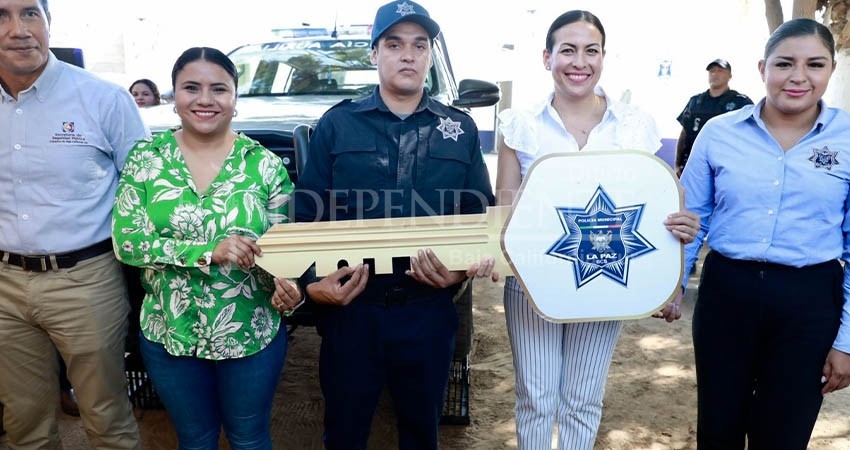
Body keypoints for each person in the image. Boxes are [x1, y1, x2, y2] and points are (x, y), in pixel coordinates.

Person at [293, 1, 497, 448]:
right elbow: (306, 217)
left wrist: (459, 272)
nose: (408, 54)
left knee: (422, 433)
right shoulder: (337, 125)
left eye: (419, 45)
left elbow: (479, 214)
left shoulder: (458, 130)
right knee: (344, 432)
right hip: (353, 310)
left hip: (427, 308)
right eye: (395, 43)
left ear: (429, 56)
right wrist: (312, 284)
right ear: (374, 54)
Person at [494, 10, 700, 450]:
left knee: (583, 398)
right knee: (535, 395)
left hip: (606, 275)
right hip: (533, 278)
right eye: (567, 50)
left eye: (591, 51)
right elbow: (506, 209)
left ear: (604, 57)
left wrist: (673, 264)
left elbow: (660, 202)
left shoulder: (634, 124)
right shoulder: (519, 123)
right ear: (546, 57)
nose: (578, 62)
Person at [112, 46, 301, 449]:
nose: (204, 99)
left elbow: (288, 245)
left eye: (219, 89)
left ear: (235, 98)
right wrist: (206, 250)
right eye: (191, 88)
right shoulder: (147, 159)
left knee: (249, 438)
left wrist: (290, 284)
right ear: (174, 97)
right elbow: (127, 242)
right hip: (170, 330)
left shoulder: (264, 164)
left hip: (251, 331)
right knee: (195, 439)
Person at [680, 18, 850, 450]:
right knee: (718, 427)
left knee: (784, 433)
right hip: (726, 293)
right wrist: (673, 286)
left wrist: (846, 340)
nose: (798, 77)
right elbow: (690, 218)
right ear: (762, 69)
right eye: (784, 64)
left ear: (831, 69)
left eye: (814, 64)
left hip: (809, 302)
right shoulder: (719, 134)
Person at [0, 0, 147, 448]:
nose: (17, 29)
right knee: (23, 421)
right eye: (1, 16)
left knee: (106, 415)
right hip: (4, 285)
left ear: (48, 23)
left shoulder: (104, 99)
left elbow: (143, 191)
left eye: (29, 13)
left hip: (86, 280)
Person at [674, 58, 752, 176]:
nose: (715, 74)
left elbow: (751, 136)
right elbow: (684, 133)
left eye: (720, 71)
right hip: (693, 166)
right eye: (712, 71)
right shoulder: (695, 101)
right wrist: (677, 164)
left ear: (729, 75)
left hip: (726, 168)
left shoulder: (740, 102)